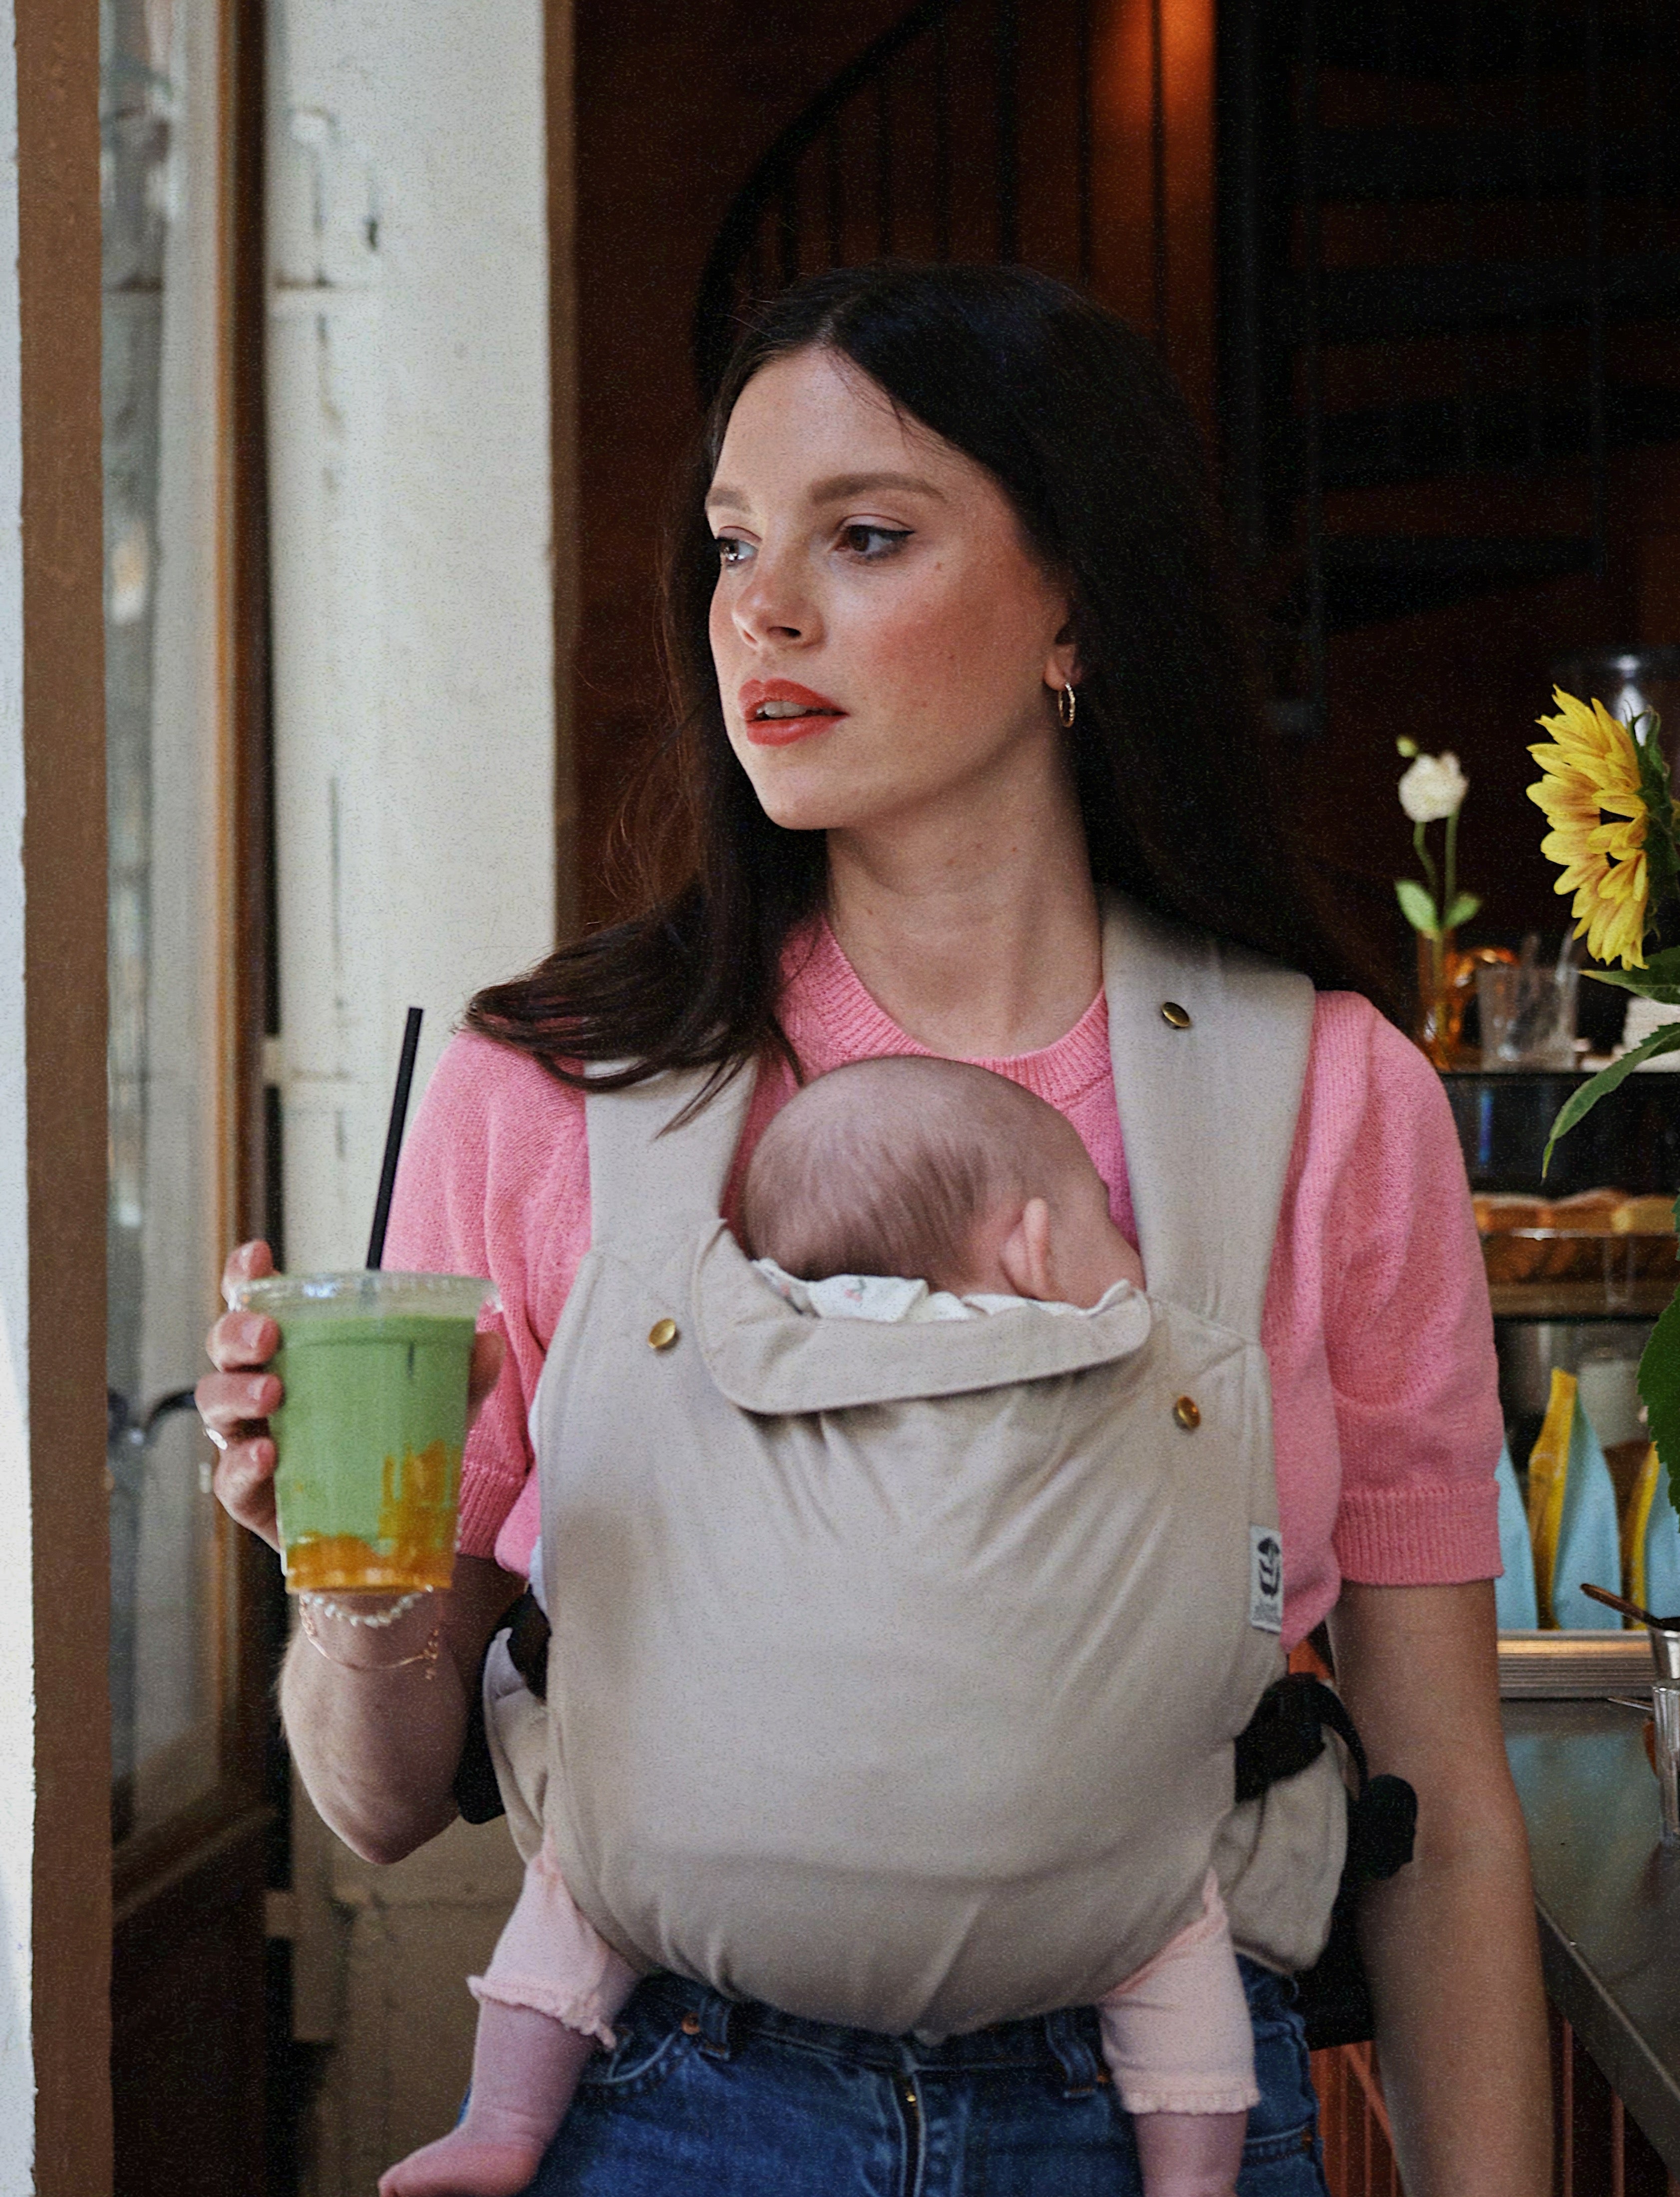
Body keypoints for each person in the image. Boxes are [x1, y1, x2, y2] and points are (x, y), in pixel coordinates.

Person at [200, 262, 1552, 2195]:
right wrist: (340, 1570)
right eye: (737, 541)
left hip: (1163, 2109)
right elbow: (383, 1802)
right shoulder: (550, 1087)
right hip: (681, 2107)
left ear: (1075, 597)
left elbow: (1448, 1813)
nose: (764, 603)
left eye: (869, 534)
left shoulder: (1324, 1095)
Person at [384, 1054, 1265, 2197]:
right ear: (1033, 1248)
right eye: (1108, 1223)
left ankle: (502, 2123)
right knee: (1178, 1941)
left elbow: (575, 1570)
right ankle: (1191, 2181)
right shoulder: (1105, 1352)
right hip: (1079, 1937)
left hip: (681, 2002)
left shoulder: (715, 1335)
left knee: (580, 1888)